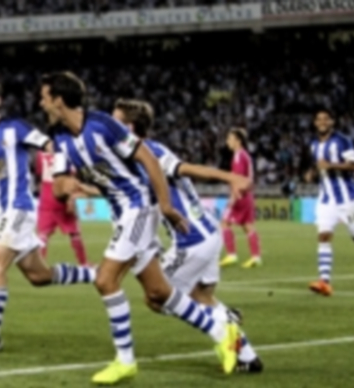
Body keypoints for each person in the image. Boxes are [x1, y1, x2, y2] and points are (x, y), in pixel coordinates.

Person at [41, 72, 240, 385]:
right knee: (158, 291)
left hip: (139, 207)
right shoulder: (59, 138)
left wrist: (166, 205)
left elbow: (148, 159)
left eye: (44, 97)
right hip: (122, 213)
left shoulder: (103, 125)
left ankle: (125, 361)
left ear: (59, 100)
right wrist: (67, 184)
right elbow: (58, 185)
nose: (41, 104)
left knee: (105, 280)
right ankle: (222, 332)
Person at [113, 98, 263, 373]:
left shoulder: (150, 152)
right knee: (201, 296)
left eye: (116, 122)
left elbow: (186, 167)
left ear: (129, 127)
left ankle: (223, 324)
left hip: (191, 241)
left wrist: (230, 177)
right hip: (208, 234)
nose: (109, 127)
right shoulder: (141, 154)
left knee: (156, 297)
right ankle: (248, 357)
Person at [0, 74, 96, 355]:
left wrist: (66, 174)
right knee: (38, 275)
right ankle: (97, 274)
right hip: (3, 213)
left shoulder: (15, 128)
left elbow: (51, 145)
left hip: (19, 207)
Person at [304, 109, 354, 296]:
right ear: (315, 123)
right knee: (324, 236)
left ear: (332, 122)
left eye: (326, 119)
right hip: (326, 199)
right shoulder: (313, 144)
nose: (322, 122)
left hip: (347, 198)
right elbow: (317, 165)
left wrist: (331, 165)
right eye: (319, 119)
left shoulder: (342, 141)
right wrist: (312, 173)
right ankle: (324, 282)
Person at [35, 150, 89, 265]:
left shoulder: (40, 155)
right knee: (75, 233)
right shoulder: (67, 152)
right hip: (64, 198)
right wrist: (73, 198)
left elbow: (39, 176)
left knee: (43, 235)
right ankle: (84, 263)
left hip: (46, 198)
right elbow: (73, 178)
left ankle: (39, 265)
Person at [220, 128, 262, 268]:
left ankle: (231, 255)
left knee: (225, 223)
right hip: (247, 195)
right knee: (248, 226)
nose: (227, 142)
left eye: (230, 139)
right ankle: (256, 257)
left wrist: (233, 197)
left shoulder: (238, 156)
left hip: (240, 195)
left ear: (238, 141)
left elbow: (237, 179)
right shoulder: (245, 155)